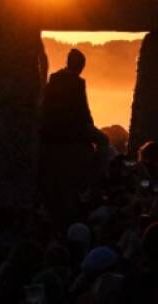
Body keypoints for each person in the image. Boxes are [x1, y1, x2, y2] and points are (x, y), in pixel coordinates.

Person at [39, 49, 109, 224]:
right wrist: (90, 127)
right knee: (104, 141)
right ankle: (95, 178)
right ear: (79, 65)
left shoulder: (54, 78)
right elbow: (83, 110)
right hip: (73, 128)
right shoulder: (76, 82)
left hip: (51, 128)